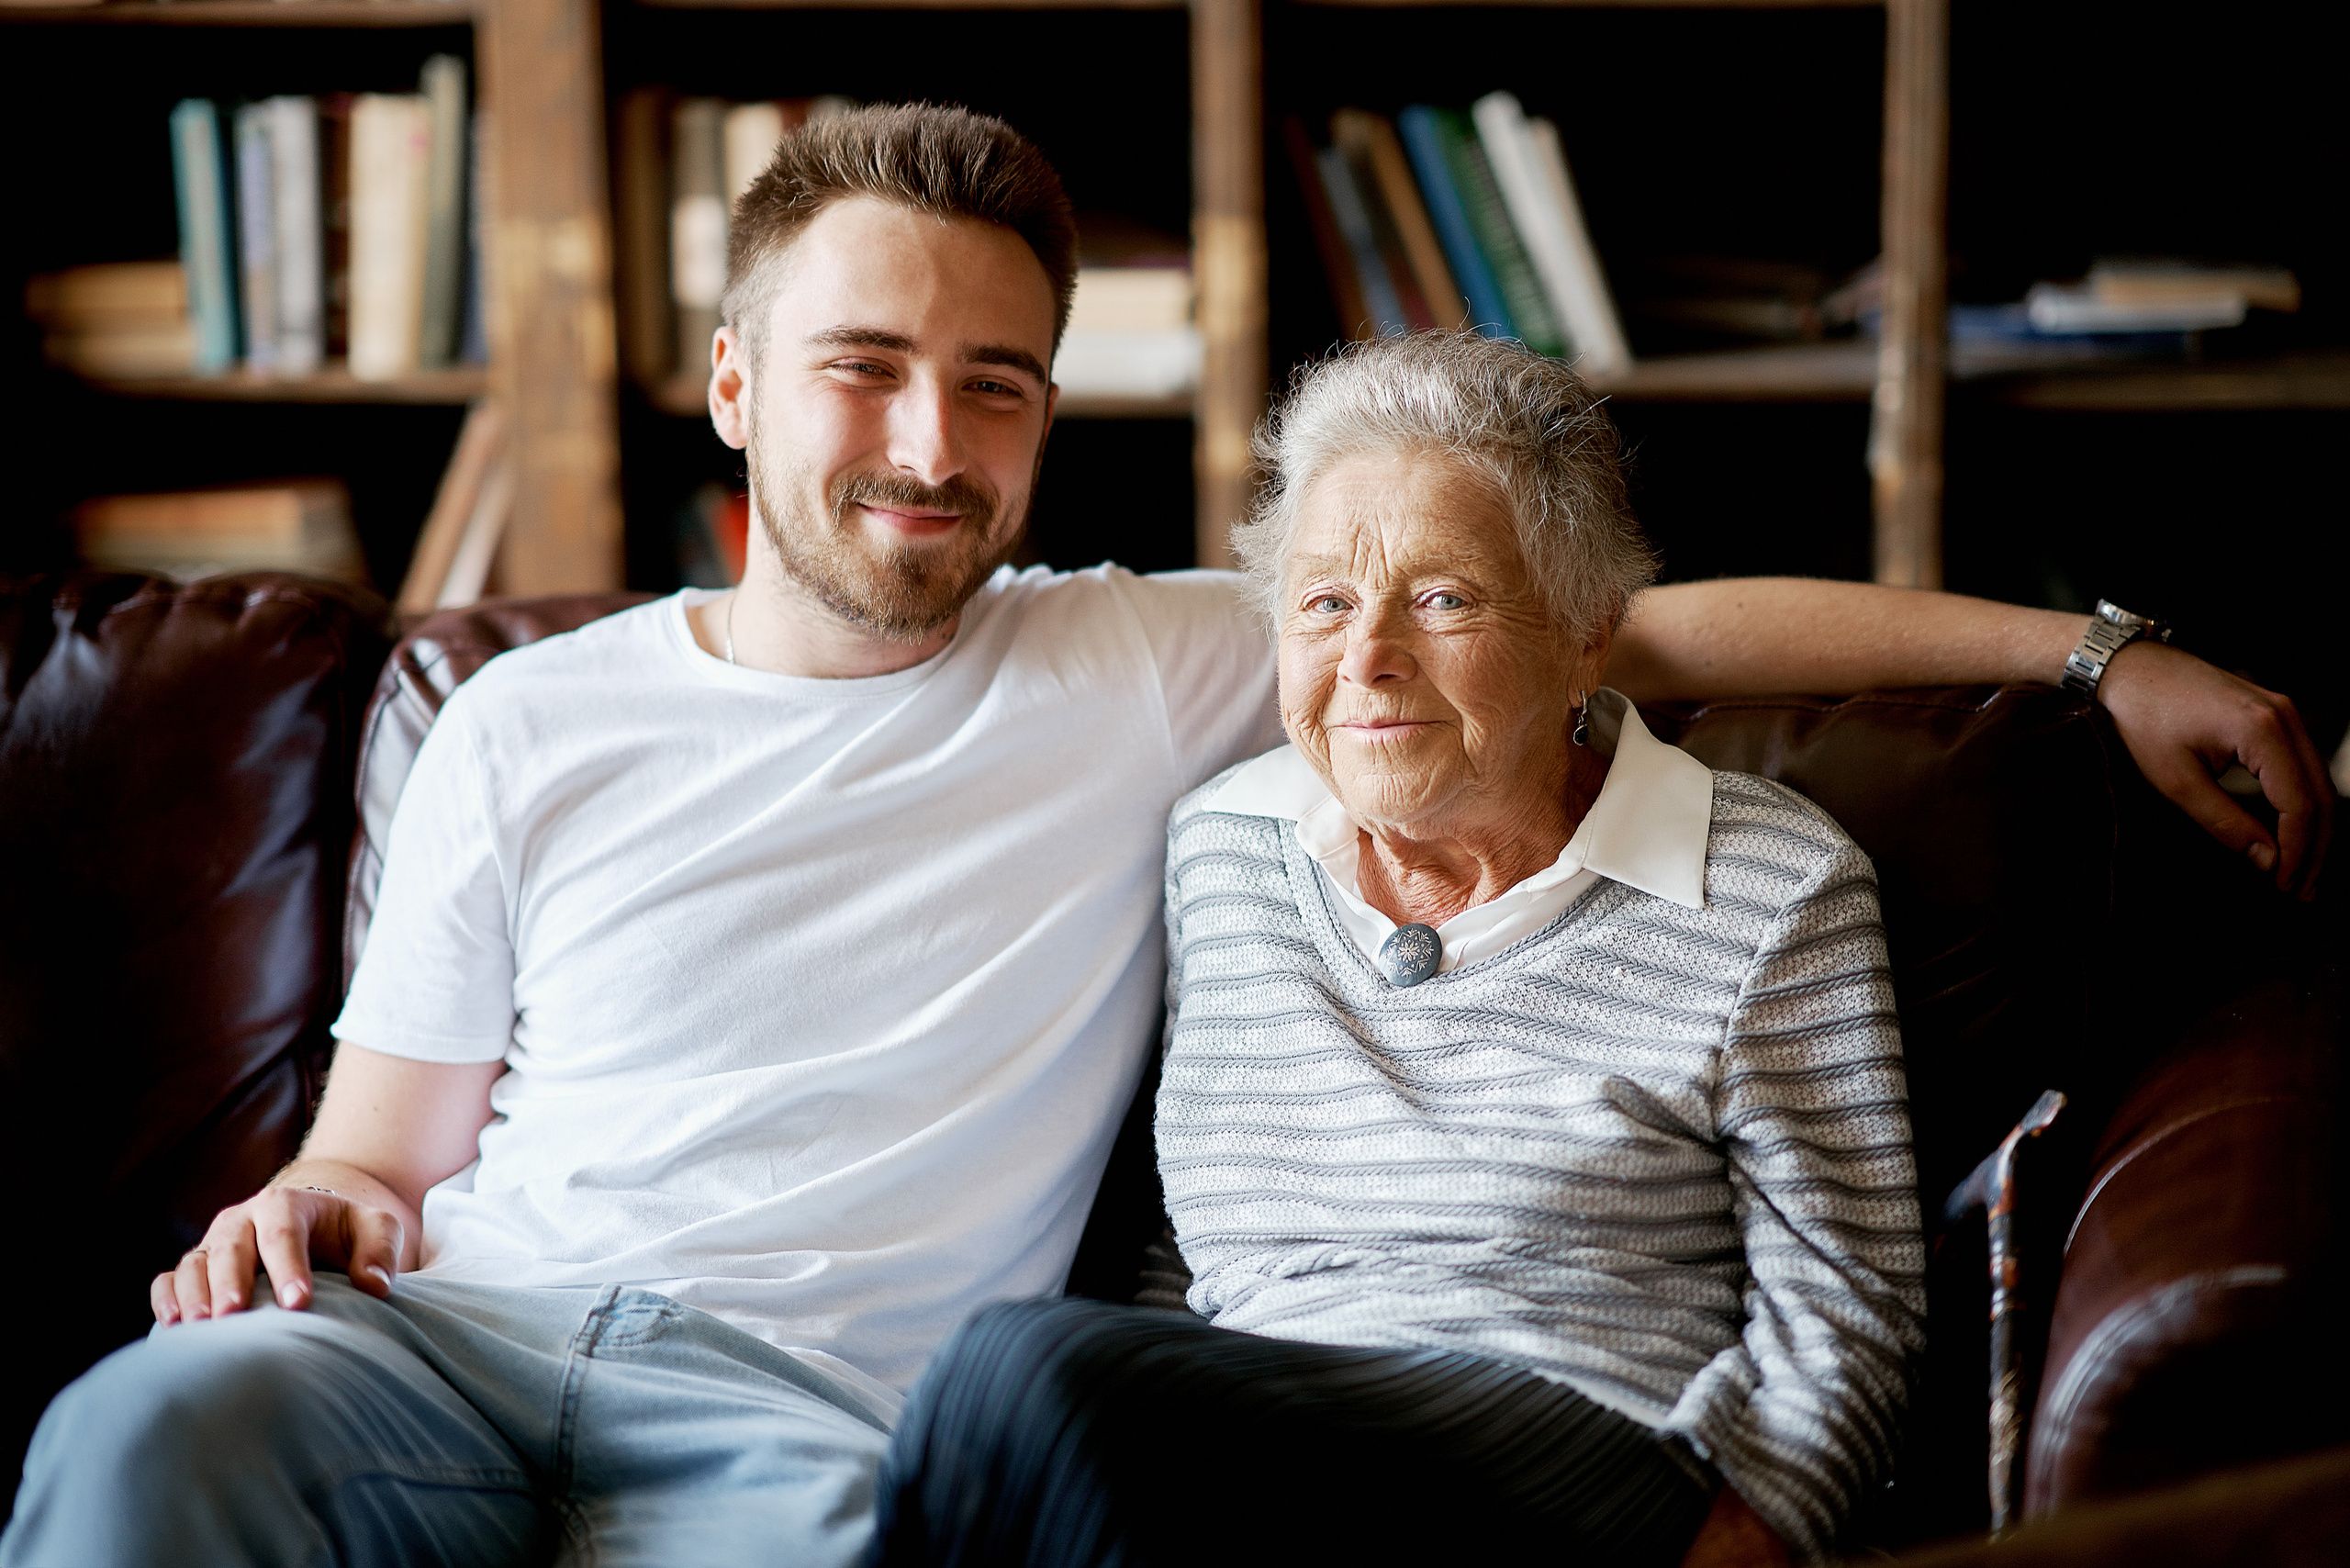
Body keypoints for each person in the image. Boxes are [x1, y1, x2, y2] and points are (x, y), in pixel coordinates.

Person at [0, 106, 2327, 1568]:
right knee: (141, 1451)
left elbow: (1605, 617)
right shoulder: (520, 717)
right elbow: (384, 1152)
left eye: (994, 386)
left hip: (827, 1427)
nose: (931, 439)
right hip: (453, 1341)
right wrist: (316, 1196)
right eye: (863, 368)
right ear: (729, 385)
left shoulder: (1144, 664)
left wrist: (2088, 653)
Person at [867, 331, 1917, 1568]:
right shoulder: (1226, 847)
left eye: (1443, 599)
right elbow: (1187, 1249)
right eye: (1323, 603)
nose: (1366, 657)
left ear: (1586, 633)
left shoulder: (1767, 884)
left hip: (1583, 1453)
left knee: (1007, 1368)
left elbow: (1852, 1300)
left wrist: (1747, 1538)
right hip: (1267, 1452)